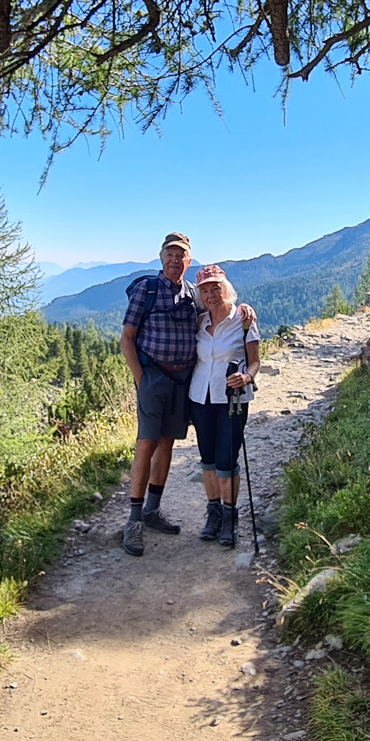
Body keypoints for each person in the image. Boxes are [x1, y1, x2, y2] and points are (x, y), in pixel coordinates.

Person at [118, 233, 253, 557]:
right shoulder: (145, 291)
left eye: (182, 256)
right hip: (153, 376)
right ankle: (134, 521)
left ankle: (152, 510)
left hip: (182, 381)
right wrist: (140, 379)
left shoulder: (192, 294)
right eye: (170, 254)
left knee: (166, 443)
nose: (175, 260)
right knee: (146, 444)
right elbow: (127, 337)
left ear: (188, 261)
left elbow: (219, 307)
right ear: (161, 257)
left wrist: (244, 308)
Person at [186, 264, 260, 548]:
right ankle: (213, 513)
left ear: (225, 288)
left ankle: (230, 518)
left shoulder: (243, 320)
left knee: (227, 459)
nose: (211, 295)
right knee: (208, 459)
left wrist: (247, 376)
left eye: (215, 288)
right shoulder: (200, 322)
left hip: (233, 399)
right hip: (200, 397)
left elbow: (255, 360)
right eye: (205, 290)